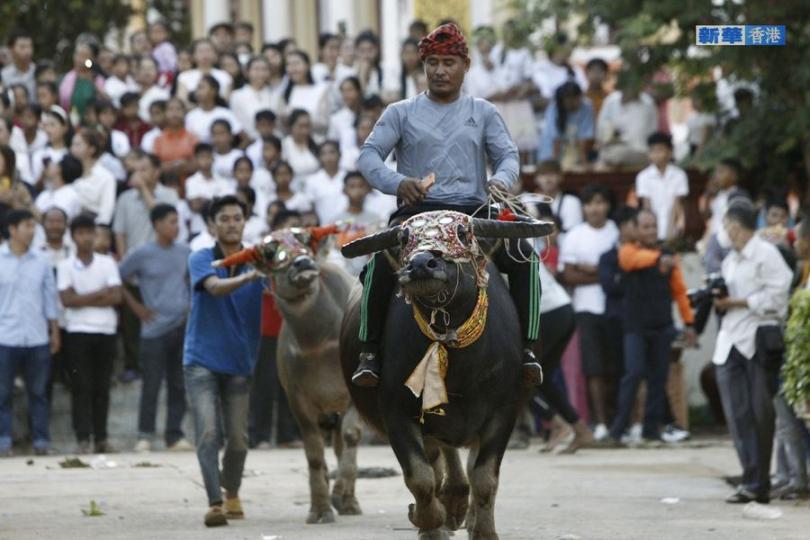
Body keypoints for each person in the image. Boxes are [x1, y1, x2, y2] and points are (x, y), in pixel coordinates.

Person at [352, 23, 542, 386]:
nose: (440, 70)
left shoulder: (483, 111)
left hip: (473, 213)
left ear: (465, 66)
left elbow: (508, 156)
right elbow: (369, 155)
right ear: (423, 67)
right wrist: (398, 183)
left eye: (449, 62)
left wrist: (500, 182)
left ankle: (529, 349)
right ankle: (369, 352)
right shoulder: (400, 112)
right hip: (416, 213)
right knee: (379, 260)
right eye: (433, 62)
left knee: (524, 255)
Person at [184, 195, 264, 527]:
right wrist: (250, 276)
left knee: (239, 440)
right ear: (211, 226)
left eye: (237, 218)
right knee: (207, 434)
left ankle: (232, 491)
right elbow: (214, 288)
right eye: (224, 219)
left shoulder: (262, 259)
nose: (231, 223)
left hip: (240, 362)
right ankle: (216, 502)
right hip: (200, 360)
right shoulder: (202, 258)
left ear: (245, 222)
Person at [713, 202, 793, 504]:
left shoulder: (766, 254)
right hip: (730, 341)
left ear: (735, 226)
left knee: (760, 413)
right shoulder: (730, 259)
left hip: (758, 341)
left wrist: (739, 303)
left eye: (727, 226)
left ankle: (759, 483)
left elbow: (778, 297)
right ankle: (749, 476)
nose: (726, 233)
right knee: (737, 414)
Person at [606, 209, 696, 445]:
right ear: (635, 229)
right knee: (633, 373)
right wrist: (658, 260)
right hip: (635, 326)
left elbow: (680, 291)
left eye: (654, 226)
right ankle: (617, 430)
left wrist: (689, 323)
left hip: (662, 325)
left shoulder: (668, 255)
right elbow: (631, 261)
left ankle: (651, 431)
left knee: (658, 378)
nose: (651, 231)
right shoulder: (628, 250)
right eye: (645, 226)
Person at [120, 204, 192, 452]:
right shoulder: (141, 253)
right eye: (172, 221)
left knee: (178, 384)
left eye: (177, 221)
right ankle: (145, 435)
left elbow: (191, 281)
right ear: (157, 224)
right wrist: (137, 307)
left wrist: (189, 306)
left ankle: (174, 435)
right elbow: (118, 278)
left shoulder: (185, 251)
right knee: (151, 384)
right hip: (153, 330)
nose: (176, 226)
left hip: (180, 326)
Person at [58, 214, 123, 454]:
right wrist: (99, 294)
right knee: (81, 386)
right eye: (81, 233)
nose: (86, 238)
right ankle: (83, 438)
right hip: (77, 331)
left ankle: (102, 438)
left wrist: (81, 298)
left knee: (102, 386)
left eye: (90, 233)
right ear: (74, 236)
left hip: (105, 330)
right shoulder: (66, 265)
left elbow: (116, 296)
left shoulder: (107, 262)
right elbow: (67, 300)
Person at [560, 184, 620, 440]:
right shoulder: (575, 235)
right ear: (583, 207)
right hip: (585, 308)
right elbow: (568, 274)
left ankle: (617, 420)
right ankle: (600, 422)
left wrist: (590, 271)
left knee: (616, 367)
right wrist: (604, 274)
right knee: (593, 368)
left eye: (600, 202)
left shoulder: (616, 232)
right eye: (589, 203)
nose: (595, 208)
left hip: (616, 307)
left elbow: (622, 273)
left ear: (607, 205)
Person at [0, 209, 60, 457]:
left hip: (36, 336)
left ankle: (41, 440)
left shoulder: (41, 261)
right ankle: (4, 441)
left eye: (33, 226)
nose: (32, 230)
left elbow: (50, 297)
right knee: (2, 393)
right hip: (5, 335)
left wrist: (55, 331)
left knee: (39, 392)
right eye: (27, 226)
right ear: (12, 229)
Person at [596, 73, 658, 170]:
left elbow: (651, 134)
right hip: (611, 149)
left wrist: (621, 140)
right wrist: (610, 140)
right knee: (604, 160)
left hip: (640, 151)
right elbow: (602, 132)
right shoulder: (611, 101)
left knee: (617, 155)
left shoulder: (648, 103)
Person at [635, 132, 688, 241]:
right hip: (653, 226)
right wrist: (650, 229)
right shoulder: (643, 177)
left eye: (660, 150)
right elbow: (646, 205)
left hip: (672, 224)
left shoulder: (679, 175)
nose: (656, 154)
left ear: (669, 152)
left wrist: (671, 229)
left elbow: (677, 204)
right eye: (653, 151)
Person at [538, 82, 594, 169]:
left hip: (575, 151)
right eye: (570, 99)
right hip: (551, 150)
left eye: (578, 98)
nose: (575, 102)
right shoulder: (554, 108)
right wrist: (554, 165)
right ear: (563, 100)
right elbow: (555, 140)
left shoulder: (587, 106)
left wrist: (584, 162)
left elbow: (584, 137)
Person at [70, 128, 116, 225]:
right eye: (72, 145)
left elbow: (106, 213)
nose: (73, 149)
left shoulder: (106, 177)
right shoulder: (68, 173)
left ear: (91, 149)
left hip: (92, 227)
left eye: (78, 145)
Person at [229, 57, 278, 140]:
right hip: (249, 142)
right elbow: (236, 123)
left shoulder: (275, 95)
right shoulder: (237, 95)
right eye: (256, 69)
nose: (260, 73)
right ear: (247, 72)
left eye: (264, 69)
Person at [184, 75, 244, 144]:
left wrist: (232, 154)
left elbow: (245, 138)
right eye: (197, 88)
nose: (198, 92)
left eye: (201, 88)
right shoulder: (190, 116)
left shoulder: (225, 114)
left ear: (213, 91)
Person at [176, 38, 232, 104]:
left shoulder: (225, 76)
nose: (205, 54)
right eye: (200, 51)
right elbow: (182, 102)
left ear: (215, 55)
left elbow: (225, 101)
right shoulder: (184, 76)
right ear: (193, 56)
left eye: (208, 50)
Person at [35, 154, 83, 220]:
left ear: (59, 169)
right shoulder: (45, 194)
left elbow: (55, 222)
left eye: (55, 164)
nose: (47, 167)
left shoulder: (70, 195)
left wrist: (27, 201)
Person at [2, 31, 36, 98]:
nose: (27, 51)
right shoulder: (3, 75)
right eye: (22, 47)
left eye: (29, 46)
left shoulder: (37, 73)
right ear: (11, 49)